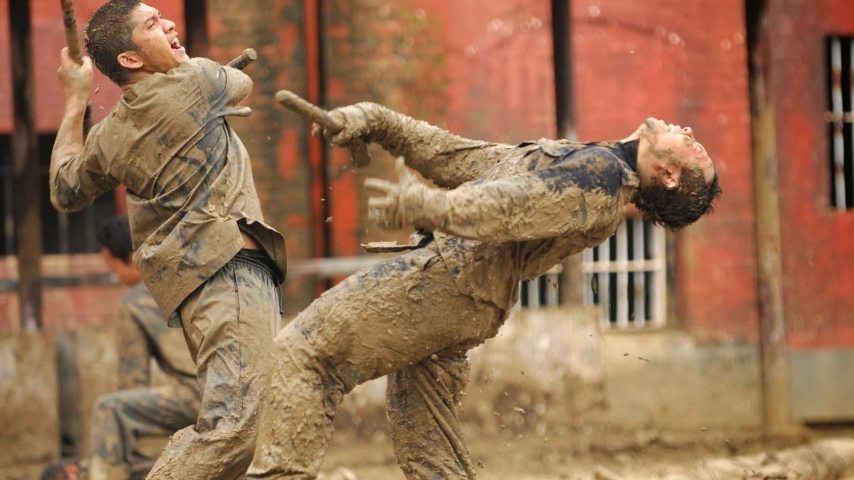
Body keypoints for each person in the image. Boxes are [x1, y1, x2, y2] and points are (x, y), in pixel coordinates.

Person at [246, 104, 721, 479]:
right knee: (429, 446)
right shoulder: (591, 164)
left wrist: (430, 206)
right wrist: (376, 121)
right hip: (467, 302)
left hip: (444, 283)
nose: (689, 132)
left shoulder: (601, 178)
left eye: (695, 147)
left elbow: (512, 207)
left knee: (304, 355)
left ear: (670, 175)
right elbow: (462, 159)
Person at [50, 1, 287, 478]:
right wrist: (200, 75)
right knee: (233, 432)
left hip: (196, 291)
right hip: (231, 274)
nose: (171, 24)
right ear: (131, 60)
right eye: (153, 24)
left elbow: (64, 188)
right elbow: (236, 82)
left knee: (239, 433)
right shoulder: (196, 79)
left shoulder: (110, 135)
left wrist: (76, 100)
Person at [85, 215, 199, 480]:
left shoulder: (135, 302)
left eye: (114, 269)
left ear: (131, 258)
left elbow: (133, 381)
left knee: (110, 410)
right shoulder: (188, 279)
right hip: (237, 387)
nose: (115, 277)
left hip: (198, 396)